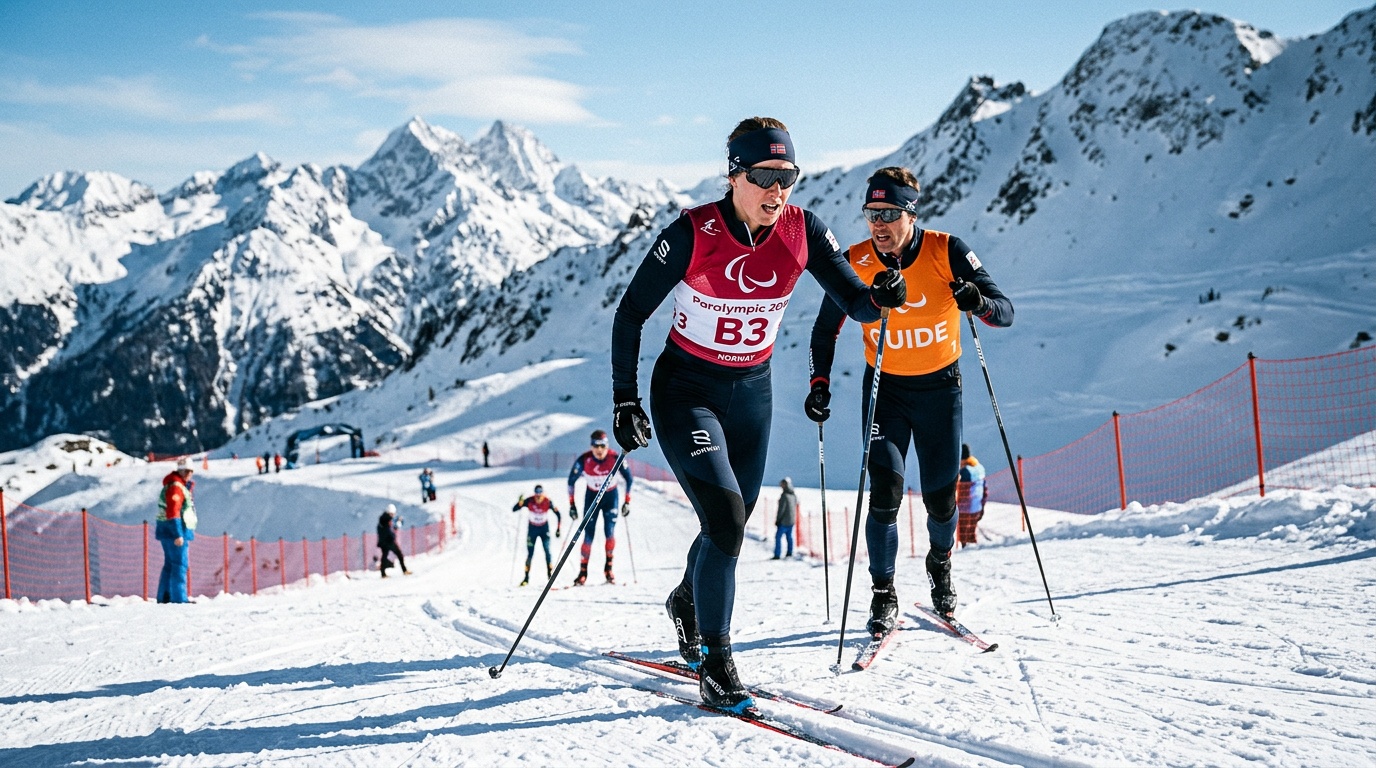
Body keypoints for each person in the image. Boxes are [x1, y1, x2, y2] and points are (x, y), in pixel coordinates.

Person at [610, 117, 906, 712]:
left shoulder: (802, 230)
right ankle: (716, 662)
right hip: (686, 391)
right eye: (765, 177)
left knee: (732, 523)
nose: (778, 191)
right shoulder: (693, 233)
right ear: (734, 175)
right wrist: (625, 399)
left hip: (752, 392)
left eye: (788, 177)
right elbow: (631, 313)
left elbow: (853, 299)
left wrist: (880, 298)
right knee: (723, 517)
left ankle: (687, 602)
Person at [807, 165, 1013, 631]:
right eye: (871, 213)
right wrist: (819, 383)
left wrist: (978, 302)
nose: (877, 224)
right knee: (885, 493)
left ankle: (940, 565)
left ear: (911, 214)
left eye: (888, 213)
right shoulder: (855, 260)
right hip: (886, 391)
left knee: (941, 501)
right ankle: (883, 593)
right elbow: (823, 330)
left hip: (940, 390)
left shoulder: (947, 250)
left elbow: (1005, 311)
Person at [566, 429, 634, 585]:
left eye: (602, 446)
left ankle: (608, 570)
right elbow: (571, 482)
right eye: (596, 446)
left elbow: (629, 479)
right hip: (592, 498)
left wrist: (627, 501)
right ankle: (583, 572)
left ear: (607, 446)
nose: (599, 449)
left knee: (609, 533)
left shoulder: (615, 458)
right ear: (591, 446)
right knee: (588, 536)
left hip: (610, 498)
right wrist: (572, 505)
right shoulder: (584, 460)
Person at [155, 457, 198, 603]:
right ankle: (179, 598)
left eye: (190, 471)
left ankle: (165, 596)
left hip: (167, 530)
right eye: (187, 471)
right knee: (180, 564)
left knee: (170, 564)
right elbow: (173, 512)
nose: (189, 474)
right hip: (175, 531)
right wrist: (178, 534)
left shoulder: (176, 485)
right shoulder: (176, 487)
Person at [512, 484, 562, 586]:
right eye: (536, 493)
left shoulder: (547, 501)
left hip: (544, 529)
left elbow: (558, 514)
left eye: (540, 493)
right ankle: (526, 578)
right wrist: (520, 503)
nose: (538, 495)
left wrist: (558, 529)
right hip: (532, 529)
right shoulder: (529, 500)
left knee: (547, 551)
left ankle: (550, 575)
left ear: (543, 493)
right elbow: (515, 509)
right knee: (530, 553)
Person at [956, 444, 988, 547]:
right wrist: (982, 506)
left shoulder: (965, 472)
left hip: (964, 509)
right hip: (977, 507)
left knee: (963, 537)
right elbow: (985, 489)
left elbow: (959, 491)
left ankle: (966, 551)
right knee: (971, 535)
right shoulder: (980, 468)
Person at [377, 504, 411, 577]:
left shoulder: (383, 519)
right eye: (392, 514)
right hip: (389, 541)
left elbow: (388, 529)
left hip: (383, 542)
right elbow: (389, 530)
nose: (393, 515)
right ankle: (404, 570)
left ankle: (383, 574)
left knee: (384, 556)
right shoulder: (387, 519)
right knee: (399, 554)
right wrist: (393, 535)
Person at [772, 477, 797, 560]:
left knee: (778, 537)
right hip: (791, 521)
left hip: (784, 522)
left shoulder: (784, 496)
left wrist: (778, 520)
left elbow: (781, 510)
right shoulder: (793, 495)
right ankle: (790, 552)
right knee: (789, 537)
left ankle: (777, 554)